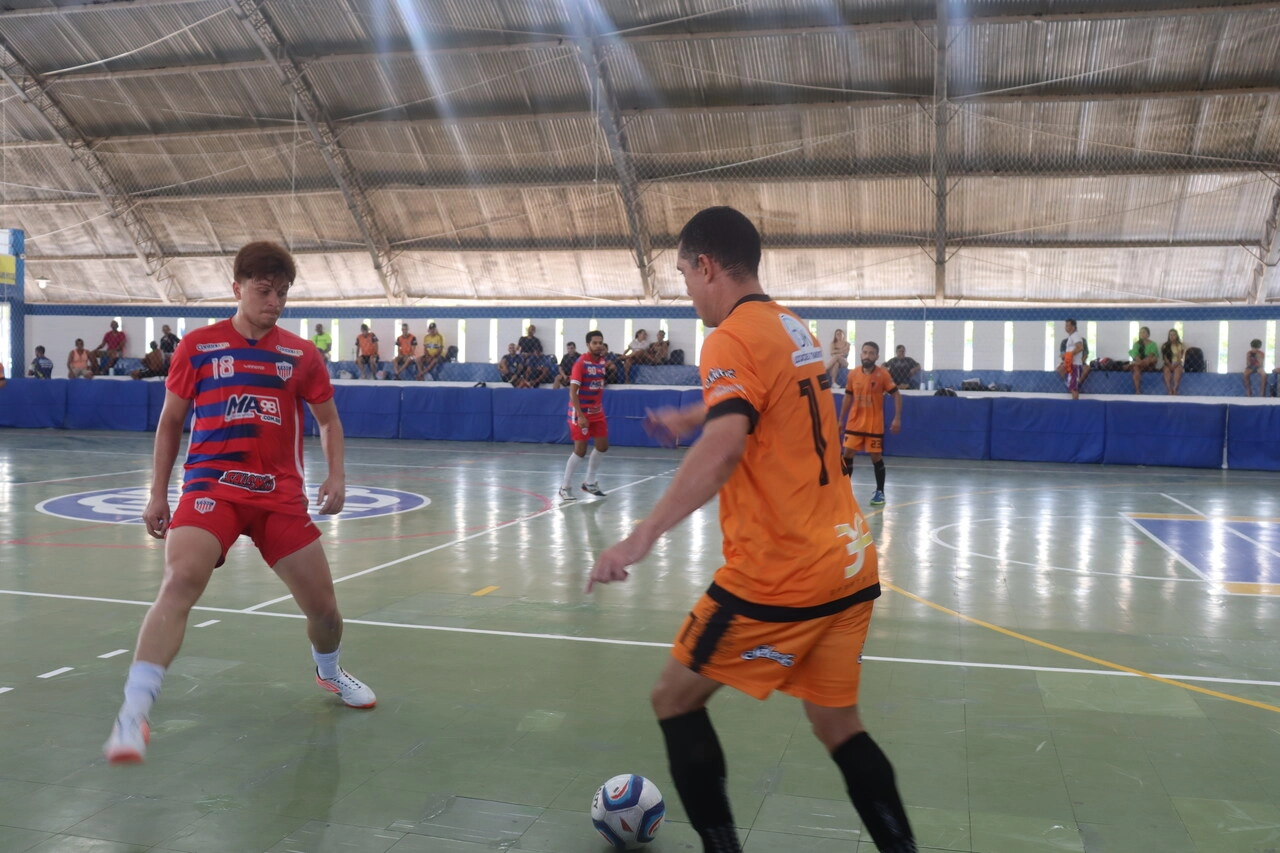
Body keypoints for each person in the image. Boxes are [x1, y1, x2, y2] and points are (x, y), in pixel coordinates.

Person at [587, 207, 915, 853]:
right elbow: (772, 397)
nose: (687, 289)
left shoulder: (729, 337)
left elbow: (725, 449)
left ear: (707, 266)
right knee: (838, 725)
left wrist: (638, 537)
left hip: (781, 572)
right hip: (848, 560)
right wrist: (691, 414)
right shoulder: (790, 325)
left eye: (685, 274)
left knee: (673, 699)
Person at [102, 241, 374, 765]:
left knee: (325, 611)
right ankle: (133, 713)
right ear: (237, 288)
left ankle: (329, 671)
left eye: (283, 293)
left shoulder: (301, 355)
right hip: (212, 488)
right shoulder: (198, 347)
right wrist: (158, 492)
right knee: (180, 580)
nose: (274, 302)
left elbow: (329, 421)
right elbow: (170, 422)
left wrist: (337, 474)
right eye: (264, 290)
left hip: (279, 497)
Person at [840, 342, 902, 508]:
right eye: (865, 352)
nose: (867, 356)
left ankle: (880, 492)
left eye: (871, 353)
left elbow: (896, 395)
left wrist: (897, 418)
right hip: (854, 422)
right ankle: (844, 491)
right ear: (861, 354)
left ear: (877, 356)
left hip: (874, 424)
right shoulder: (853, 374)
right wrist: (840, 420)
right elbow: (848, 397)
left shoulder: (883, 375)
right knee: (847, 455)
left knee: (875, 456)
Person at [559, 330, 610, 501]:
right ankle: (565, 487)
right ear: (588, 345)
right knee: (580, 450)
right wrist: (580, 415)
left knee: (602, 446)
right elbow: (573, 392)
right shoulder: (580, 363)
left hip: (597, 412)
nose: (598, 345)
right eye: (595, 343)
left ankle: (589, 482)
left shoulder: (602, 362)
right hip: (580, 412)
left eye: (600, 342)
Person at [1129, 326, 1159, 394]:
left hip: (1149, 364)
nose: (1142, 334)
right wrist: (1140, 362)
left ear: (1148, 334)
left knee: (1153, 359)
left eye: (1144, 332)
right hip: (1140, 364)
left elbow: (1151, 355)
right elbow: (1135, 355)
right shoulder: (1136, 344)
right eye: (1140, 332)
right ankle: (1137, 390)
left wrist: (1142, 362)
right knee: (1136, 368)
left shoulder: (1153, 344)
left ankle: (1131, 365)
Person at [1059, 319, 1085, 400]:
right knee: (1072, 387)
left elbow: (1080, 347)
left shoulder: (1075, 336)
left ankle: (1075, 405)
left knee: (1074, 388)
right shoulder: (1071, 337)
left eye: (1067, 325)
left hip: (1075, 365)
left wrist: (1069, 354)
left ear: (1073, 327)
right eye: (1065, 325)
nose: (1065, 327)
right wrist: (1065, 356)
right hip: (1070, 364)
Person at [1162, 328, 1185, 396]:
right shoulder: (1165, 345)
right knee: (1166, 371)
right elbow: (1165, 358)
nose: (1172, 336)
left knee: (1177, 371)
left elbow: (1180, 358)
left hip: (1177, 363)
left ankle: (1175, 389)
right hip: (1168, 363)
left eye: (1174, 335)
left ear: (1177, 336)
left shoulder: (1180, 345)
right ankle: (1169, 389)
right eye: (1170, 335)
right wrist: (1169, 365)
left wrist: (1175, 365)